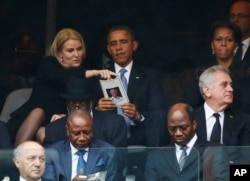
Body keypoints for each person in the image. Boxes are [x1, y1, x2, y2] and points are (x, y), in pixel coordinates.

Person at [6, 28, 117, 147]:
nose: (76, 54)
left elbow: (86, 103)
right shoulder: (48, 64)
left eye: (79, 49)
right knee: (38, 113)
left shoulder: (85, 73)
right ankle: (16, 159)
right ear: (59, 53)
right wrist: (95, 72)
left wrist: (97, 106)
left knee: (44, 133)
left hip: (60, 126)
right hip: (31, 122)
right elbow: (65, 77)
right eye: (70, 50)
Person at [95, 24, 169, 146]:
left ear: (134, 45)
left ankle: (155, 161)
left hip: (141, 135)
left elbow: (157, 114)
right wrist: (97, 110)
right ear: (108, 49)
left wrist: (137, 116)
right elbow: (84, 112)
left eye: (123, 42)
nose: (118, 47)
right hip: (108, 139)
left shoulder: (150, 76)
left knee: (159, 115)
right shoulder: (99, 76)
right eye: (113, 44)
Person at [36, 76, 127, 148]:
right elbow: (50, 163)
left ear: (90, 102)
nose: (77, 105)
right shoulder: (54, 129)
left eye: (81, 102)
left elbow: (119, 160)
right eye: (72, 102)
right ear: (67, 103)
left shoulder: (113, 123)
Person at [48, 109, 122, 181]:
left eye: (87, 132)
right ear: (67, 130)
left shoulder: (108, 152)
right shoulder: (53, 153)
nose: (82, 138)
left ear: (92, 129)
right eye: (76, 133)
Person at [144, 103, 207, 181]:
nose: (178, 133)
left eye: (183, 128)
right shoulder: (155, 157)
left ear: (194, 124)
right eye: (172, 129)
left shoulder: (213, 151)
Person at [195, 65, 250, 146]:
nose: (231, 89)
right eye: (224, 85)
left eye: (231, 85)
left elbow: (246, 156)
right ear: (207, 91)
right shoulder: (190, 118)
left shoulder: (243, 121)